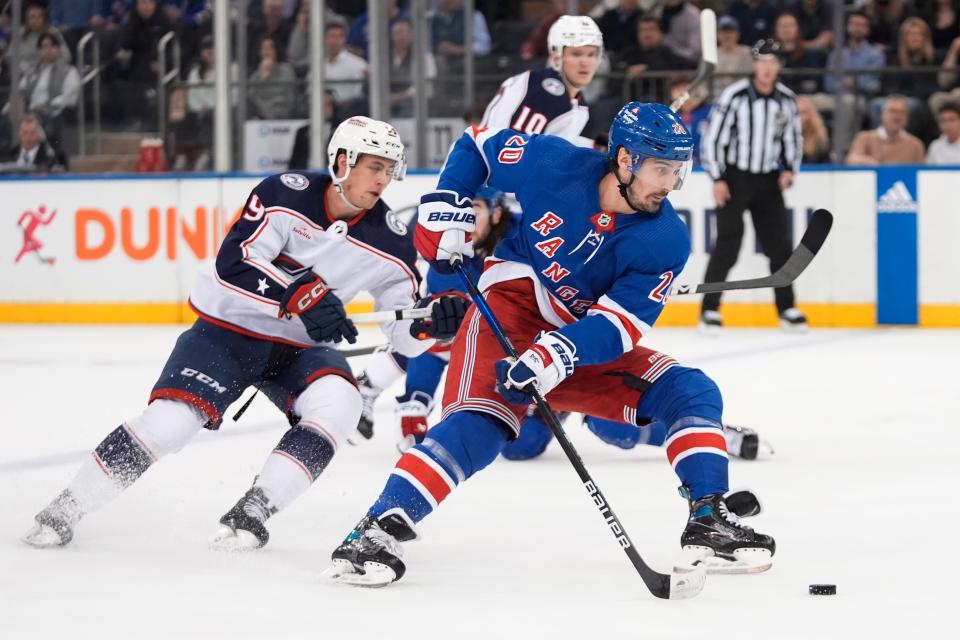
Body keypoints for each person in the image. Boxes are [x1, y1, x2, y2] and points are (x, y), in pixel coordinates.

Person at [323, 102, 776, 587]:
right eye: (660, 168)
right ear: (624, 159)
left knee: (689, 390)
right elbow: (477, 144)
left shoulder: (666, 238)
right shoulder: (553, 162)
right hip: (510, 305)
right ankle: (370, 532)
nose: (669, 184)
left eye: (677, 171)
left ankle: (706, 518)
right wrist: (449, 195)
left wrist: (557, 352)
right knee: (484, 422)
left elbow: (619, 326)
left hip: (575, 338)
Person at [22, 116, 470, 551]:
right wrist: (301, 295)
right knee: (171, 424)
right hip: (228, 331)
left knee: (343, 403)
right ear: (341, 162)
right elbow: (233, 261)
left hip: (299, 348)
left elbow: (403, 333)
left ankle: (255, 508)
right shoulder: (283, 194)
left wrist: (431, 324)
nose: (383, 180)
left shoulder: (391, 241)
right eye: (375, 167)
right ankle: (68, 505)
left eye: (390, 171)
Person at [699, 39, 806, 334]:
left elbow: (793, 139)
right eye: (763, 61)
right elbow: (714, 139)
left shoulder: (786, 99)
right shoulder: (734, 96)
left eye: (773, 62)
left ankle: (787, 308)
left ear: (779, 66)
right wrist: (718, 178)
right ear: (755, 64)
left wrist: (789, 169)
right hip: (735, 178)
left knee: (780, 247)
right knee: (727, 245)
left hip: (769, 180)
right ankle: (709, 309)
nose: (768, 68)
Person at [481, 14, 603, 144]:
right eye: (576, 54)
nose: (585, 62)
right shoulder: (538, 88)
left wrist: (594, 147)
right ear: (556, 57)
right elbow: (510, 150)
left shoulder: (579, 103)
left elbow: (552, 145)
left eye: (591, 55)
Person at [845, 95, 925, 165]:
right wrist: (867, 161)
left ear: (907, 118)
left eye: (902, 112)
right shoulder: (865, 138)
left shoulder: (915, 144)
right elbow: (851, 159)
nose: (897, 116)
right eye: (893, 111)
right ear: (883, 114)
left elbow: (922, 173)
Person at [714, 15, 754, 95]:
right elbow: (703, 83)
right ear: (717, 34)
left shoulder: (747, 52)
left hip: (740, 97)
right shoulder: (711, 54)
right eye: (723, 32)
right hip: (714, 97)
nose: (727, 36)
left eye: (730, 32)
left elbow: (752, 80)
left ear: (737, 34)